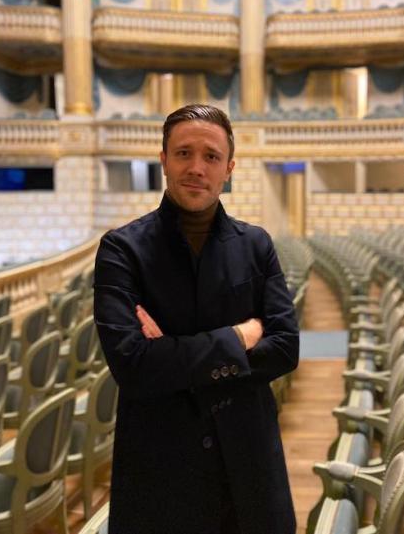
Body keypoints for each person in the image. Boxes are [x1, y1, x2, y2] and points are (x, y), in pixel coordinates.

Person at [94, 104, 299, 534]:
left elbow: (285, 348)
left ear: (229, 168)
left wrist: (170, 355)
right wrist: (239, 337)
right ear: (164, 160)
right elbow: (133, 367)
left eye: (211, 156)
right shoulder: (121, 250)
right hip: (160, 466)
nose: (196, 168)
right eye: (184, 153)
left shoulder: (257, 245)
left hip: (248, 461)